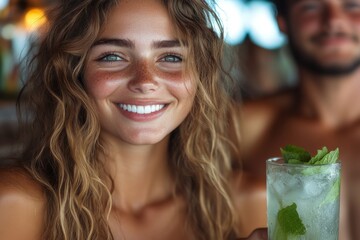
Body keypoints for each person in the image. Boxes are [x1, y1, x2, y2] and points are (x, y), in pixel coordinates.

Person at [0, 0, 267, 239]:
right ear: (74, 73)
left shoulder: (250, 202)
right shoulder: (15, 205)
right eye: (113, 56)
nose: (145, 81)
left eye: (171, 57)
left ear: (200, 77)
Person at [234, 0, 360, 239]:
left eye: (353, 6)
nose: (334, 20)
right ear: (282, 22)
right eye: (311, 7)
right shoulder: (242, 126)